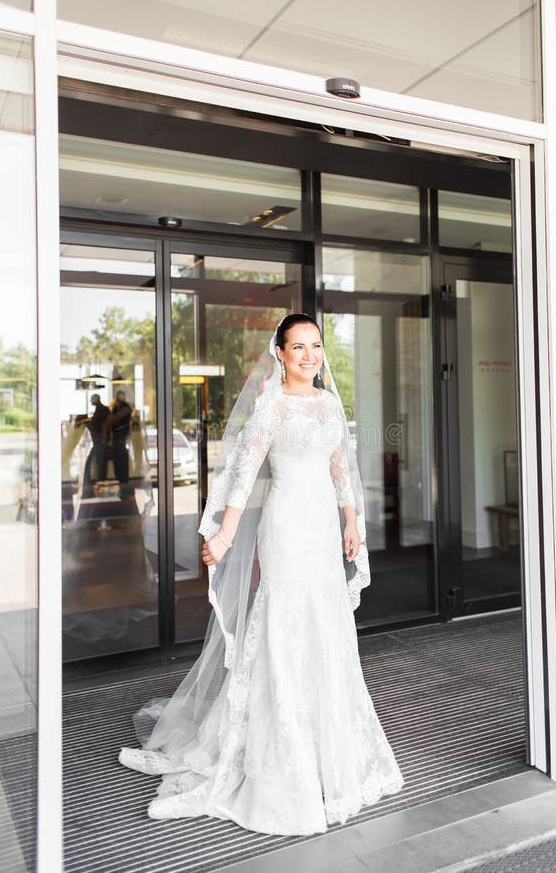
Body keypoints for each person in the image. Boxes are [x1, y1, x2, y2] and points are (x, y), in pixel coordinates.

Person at [118, 314, 403, 835]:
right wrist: (223, 536)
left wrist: (351, 523)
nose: (309, 355)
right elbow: (243, 474)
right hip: (286, 528)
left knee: (326, 628)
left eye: (316, 345)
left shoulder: (332, 404)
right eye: (298, 347)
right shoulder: (270, 404)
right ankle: (277, 758)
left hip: (322, 526)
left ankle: (327, 750)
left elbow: (342, 470)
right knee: (283, 627)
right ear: (280, 352)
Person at [75, 393, 110, 492]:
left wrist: (103, 438)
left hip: (100, 441)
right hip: (100, 441)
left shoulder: (101, 410)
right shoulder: (103, 409)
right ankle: (99, 481)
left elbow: (101, 425)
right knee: (99, 462)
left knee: (100, 462)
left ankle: (100, 482)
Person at [107, 389, 132, 484]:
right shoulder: (116, 407)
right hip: (116, 436)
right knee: (117, 457)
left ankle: (123, 478)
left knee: (121, 457)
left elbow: (115, 418)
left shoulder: (125, 408)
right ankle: (119, 478)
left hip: (122, 436)